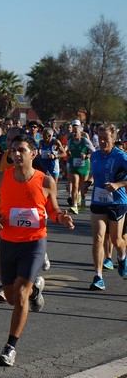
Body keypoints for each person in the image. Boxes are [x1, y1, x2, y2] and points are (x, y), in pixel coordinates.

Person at [0, 134, 74, 366]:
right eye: (13, 150)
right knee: (11, 297)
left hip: (34, 243)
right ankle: (36, 291)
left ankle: (10, 347)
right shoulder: (0, 177)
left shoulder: (45, 181)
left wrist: (62, 217)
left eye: (21, 150)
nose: (15, 154)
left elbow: (53, 210)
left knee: (20, 292)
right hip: (8, 242)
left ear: (33, 154)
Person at [83, 124, 127, 290]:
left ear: (114, 139)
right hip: (98, 200)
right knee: (98, 238)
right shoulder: (95, 156)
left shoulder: (121, 156)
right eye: (100, 138)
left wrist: (118, 184)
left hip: (117, 202)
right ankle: (98, 276)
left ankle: (122, 256)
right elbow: (95, 174)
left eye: (105, 138)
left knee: (116, 240)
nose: (101, 141)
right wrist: (88, 182)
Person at [66, 119, 95, 214]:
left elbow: (93, 152)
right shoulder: (70, 142)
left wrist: (86, 156)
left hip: (84, 166)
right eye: (73, 132)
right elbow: (68, 151)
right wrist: (69, 154)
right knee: (75, 184)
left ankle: (82, 200)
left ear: (80, 133)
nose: (74, 134)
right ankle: (74, 206)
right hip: (74, 166)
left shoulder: (85, 141)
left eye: (76, 132)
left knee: (82, 187)